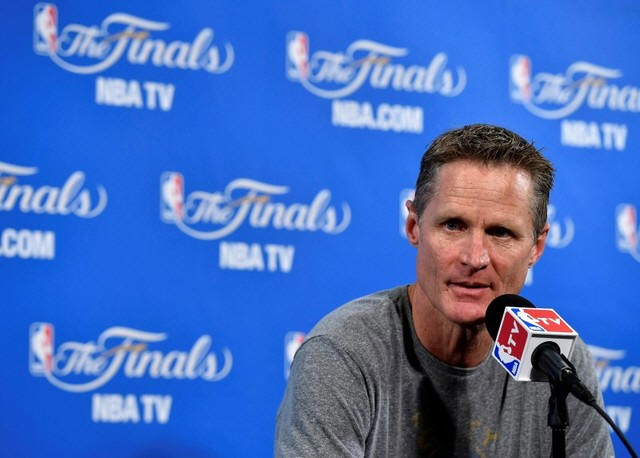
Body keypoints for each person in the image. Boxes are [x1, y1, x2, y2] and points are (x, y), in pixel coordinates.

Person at [275, 124, 613, 457]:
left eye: (500, 232)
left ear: (536, 248)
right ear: (414, 226)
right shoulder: (344, 354)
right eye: (453, 225)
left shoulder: (558, 364)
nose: (474, 258)